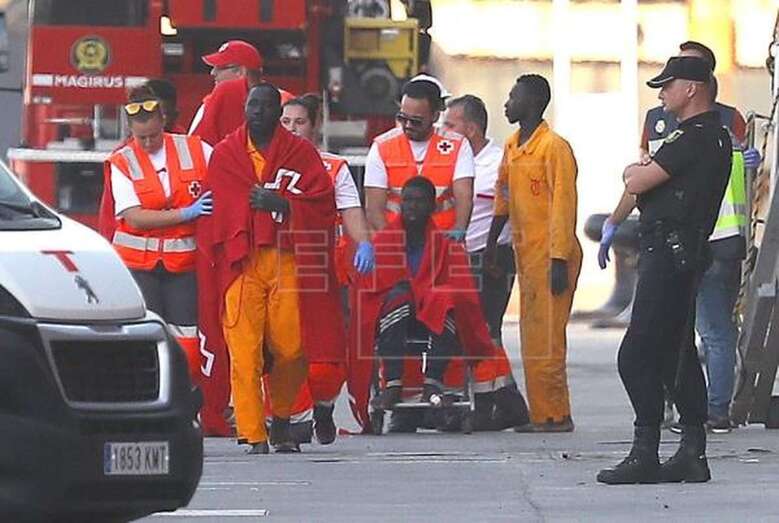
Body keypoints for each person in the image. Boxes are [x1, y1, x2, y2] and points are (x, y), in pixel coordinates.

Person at [598, 41, 760, 434]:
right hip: (682, 245)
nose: (661, 93)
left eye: (669, 83)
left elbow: (639, 178)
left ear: (693, 86)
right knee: (680, 348)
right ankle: (691, 437)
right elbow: (640, 176)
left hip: (698, 245)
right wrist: (615, 220)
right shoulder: (670, 124)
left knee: (662, 347)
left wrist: (635, 178)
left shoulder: (706, 131)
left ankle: (672, 431)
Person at [196, 83, 345, 454]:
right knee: (243, 350)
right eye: (252, 105)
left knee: (291, 348)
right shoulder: (227, 153)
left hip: (286, 259)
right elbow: (218, 210)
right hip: (241, 262)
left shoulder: (301, 153)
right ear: (244, 110)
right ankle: (253, 432)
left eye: (265, 106)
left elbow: (323, 204)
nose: (258, 112)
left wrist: (283, 204)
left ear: (277, 113)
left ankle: (281, 417)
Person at [348, 176, 500, 429]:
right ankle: (393, 384)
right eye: (407, 200)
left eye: (419, 201)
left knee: (445, 297)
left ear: (432, 206)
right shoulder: (384, 241)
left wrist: (427, 294)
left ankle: (433, 382)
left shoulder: (446, 245)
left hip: (436, 319)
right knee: (396, 295)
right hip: (395, 318)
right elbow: (369, 291)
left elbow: (464, 295)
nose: (412, 206)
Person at [270, 94, 374, 444]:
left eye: (299, 122)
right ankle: (292, 416)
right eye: (285, 122)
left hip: (322, 270)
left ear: (315, 126)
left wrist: (364, 242)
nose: (292, 129)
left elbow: (351, 211)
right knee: (283, 347)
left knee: (328, 356)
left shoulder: (334, 168)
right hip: (276, 268)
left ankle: (324, 406)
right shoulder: (264, 163)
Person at [485, 74, 582, 433]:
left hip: (552, 257)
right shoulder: (513, 146)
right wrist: (492, 244)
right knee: (532, 339)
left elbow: (563, 206)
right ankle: (542, 414)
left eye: (513, 97)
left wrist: (558, 259)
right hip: (526, 257)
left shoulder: (554, 148)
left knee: (549, 340)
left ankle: (557, 415)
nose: (507, 103)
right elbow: (503, 197)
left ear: (532, 103)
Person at [105, 85, 213, 381]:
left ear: (163, 120)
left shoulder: (196, 149)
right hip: (138, 267)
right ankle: (147, 391)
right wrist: (186, 213)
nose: (148, 142)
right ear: (130, 130)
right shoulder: (123, 161)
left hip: (183, 265)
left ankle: (186, 393)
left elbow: (225, 173)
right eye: (141, 137)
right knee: (145, 337)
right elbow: (135, 218)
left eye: (153, 135)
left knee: (188, 339)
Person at [442, 94, 529, 431]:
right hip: (459, 258)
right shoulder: (451, 161)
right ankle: (506, 403)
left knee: (484, 333)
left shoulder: (496, 163)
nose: (443, 131)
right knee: (476, 333)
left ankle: (493, 406)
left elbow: (509, 210)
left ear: (472, 129)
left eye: (450, 125)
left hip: (491, 257)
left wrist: (497, 250)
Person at [363, 78, 475, 237]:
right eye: (402, 118)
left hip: (443, 238)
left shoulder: (458, 145)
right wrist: (393, 241)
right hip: (396, 237)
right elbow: (374, 208)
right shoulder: (382, 146)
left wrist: (459, 229)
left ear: (435, 116)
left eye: (416, 121)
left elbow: (464, 196)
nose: (408, 125)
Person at [189, 40, 292, 146]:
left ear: (241, 72)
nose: (213, 73)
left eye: (220, 68)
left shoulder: (285, 102)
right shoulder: (286, 100)